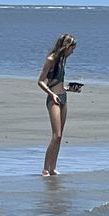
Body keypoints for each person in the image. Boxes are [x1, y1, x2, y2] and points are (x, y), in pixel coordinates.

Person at [37, 33, 81, 176]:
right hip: (53, 99)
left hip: (63, 96)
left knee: (60, 136)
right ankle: (45, 168)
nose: (72, 52)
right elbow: (41, 81)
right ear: (66, 47)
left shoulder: (63, 60)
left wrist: (69, 88)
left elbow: (58, 82)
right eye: (71, 49)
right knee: (56, 135)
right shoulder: (51, 59)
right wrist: (51, 94)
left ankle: (53, 167)